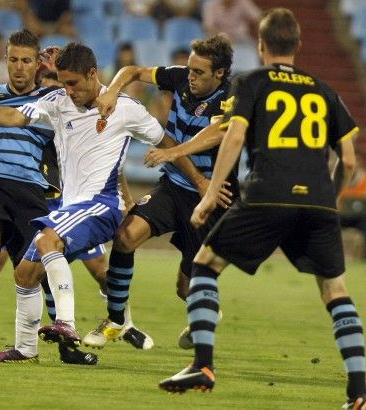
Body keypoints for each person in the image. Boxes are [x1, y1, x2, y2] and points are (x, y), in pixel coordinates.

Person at [158, 9, 366, 410]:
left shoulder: (252, 81)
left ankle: (202, 364)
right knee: (335, 289)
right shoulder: (324, 90)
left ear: (261, 44)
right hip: (318, 201)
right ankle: (358, 392)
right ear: (298, 45)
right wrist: (333, 198)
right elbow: (350, 158)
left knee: (204, 264)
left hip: (267, 193)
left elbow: (234, 136)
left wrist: (209, 195)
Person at [0, 42, 210, 363]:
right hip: (69, 209)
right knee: (24, 274)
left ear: (93, 74)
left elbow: (167, 142)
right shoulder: (57, 100)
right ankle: (25, 349)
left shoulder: (127, 108)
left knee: (49, 240)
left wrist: (200, 182)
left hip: (101, 206)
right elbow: (15, 116)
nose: (68, 90)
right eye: (63, 82)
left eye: (74, 83)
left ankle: (67, 323)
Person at [0, 30, 101, 365]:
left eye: (26, 60)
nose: (19, 67)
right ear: (5, 60)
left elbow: (84, 106)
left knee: (38, 269)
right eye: (13, 59)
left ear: (36, 64)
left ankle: (65, 346)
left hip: (30, 190)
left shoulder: (51, 103)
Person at [81, 34, 237, 350]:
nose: (189, 77)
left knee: (185, 287)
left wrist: (172, 151)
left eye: (199, 73)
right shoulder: (179, 76)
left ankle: (204, 315)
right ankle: (115, 320)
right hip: (174, 188)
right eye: (190, 69)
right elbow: (134, 72)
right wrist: (112, 91)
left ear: (219, 74)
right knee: (126, 237)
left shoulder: (232, 97)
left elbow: (218, 132)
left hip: (211, 198)